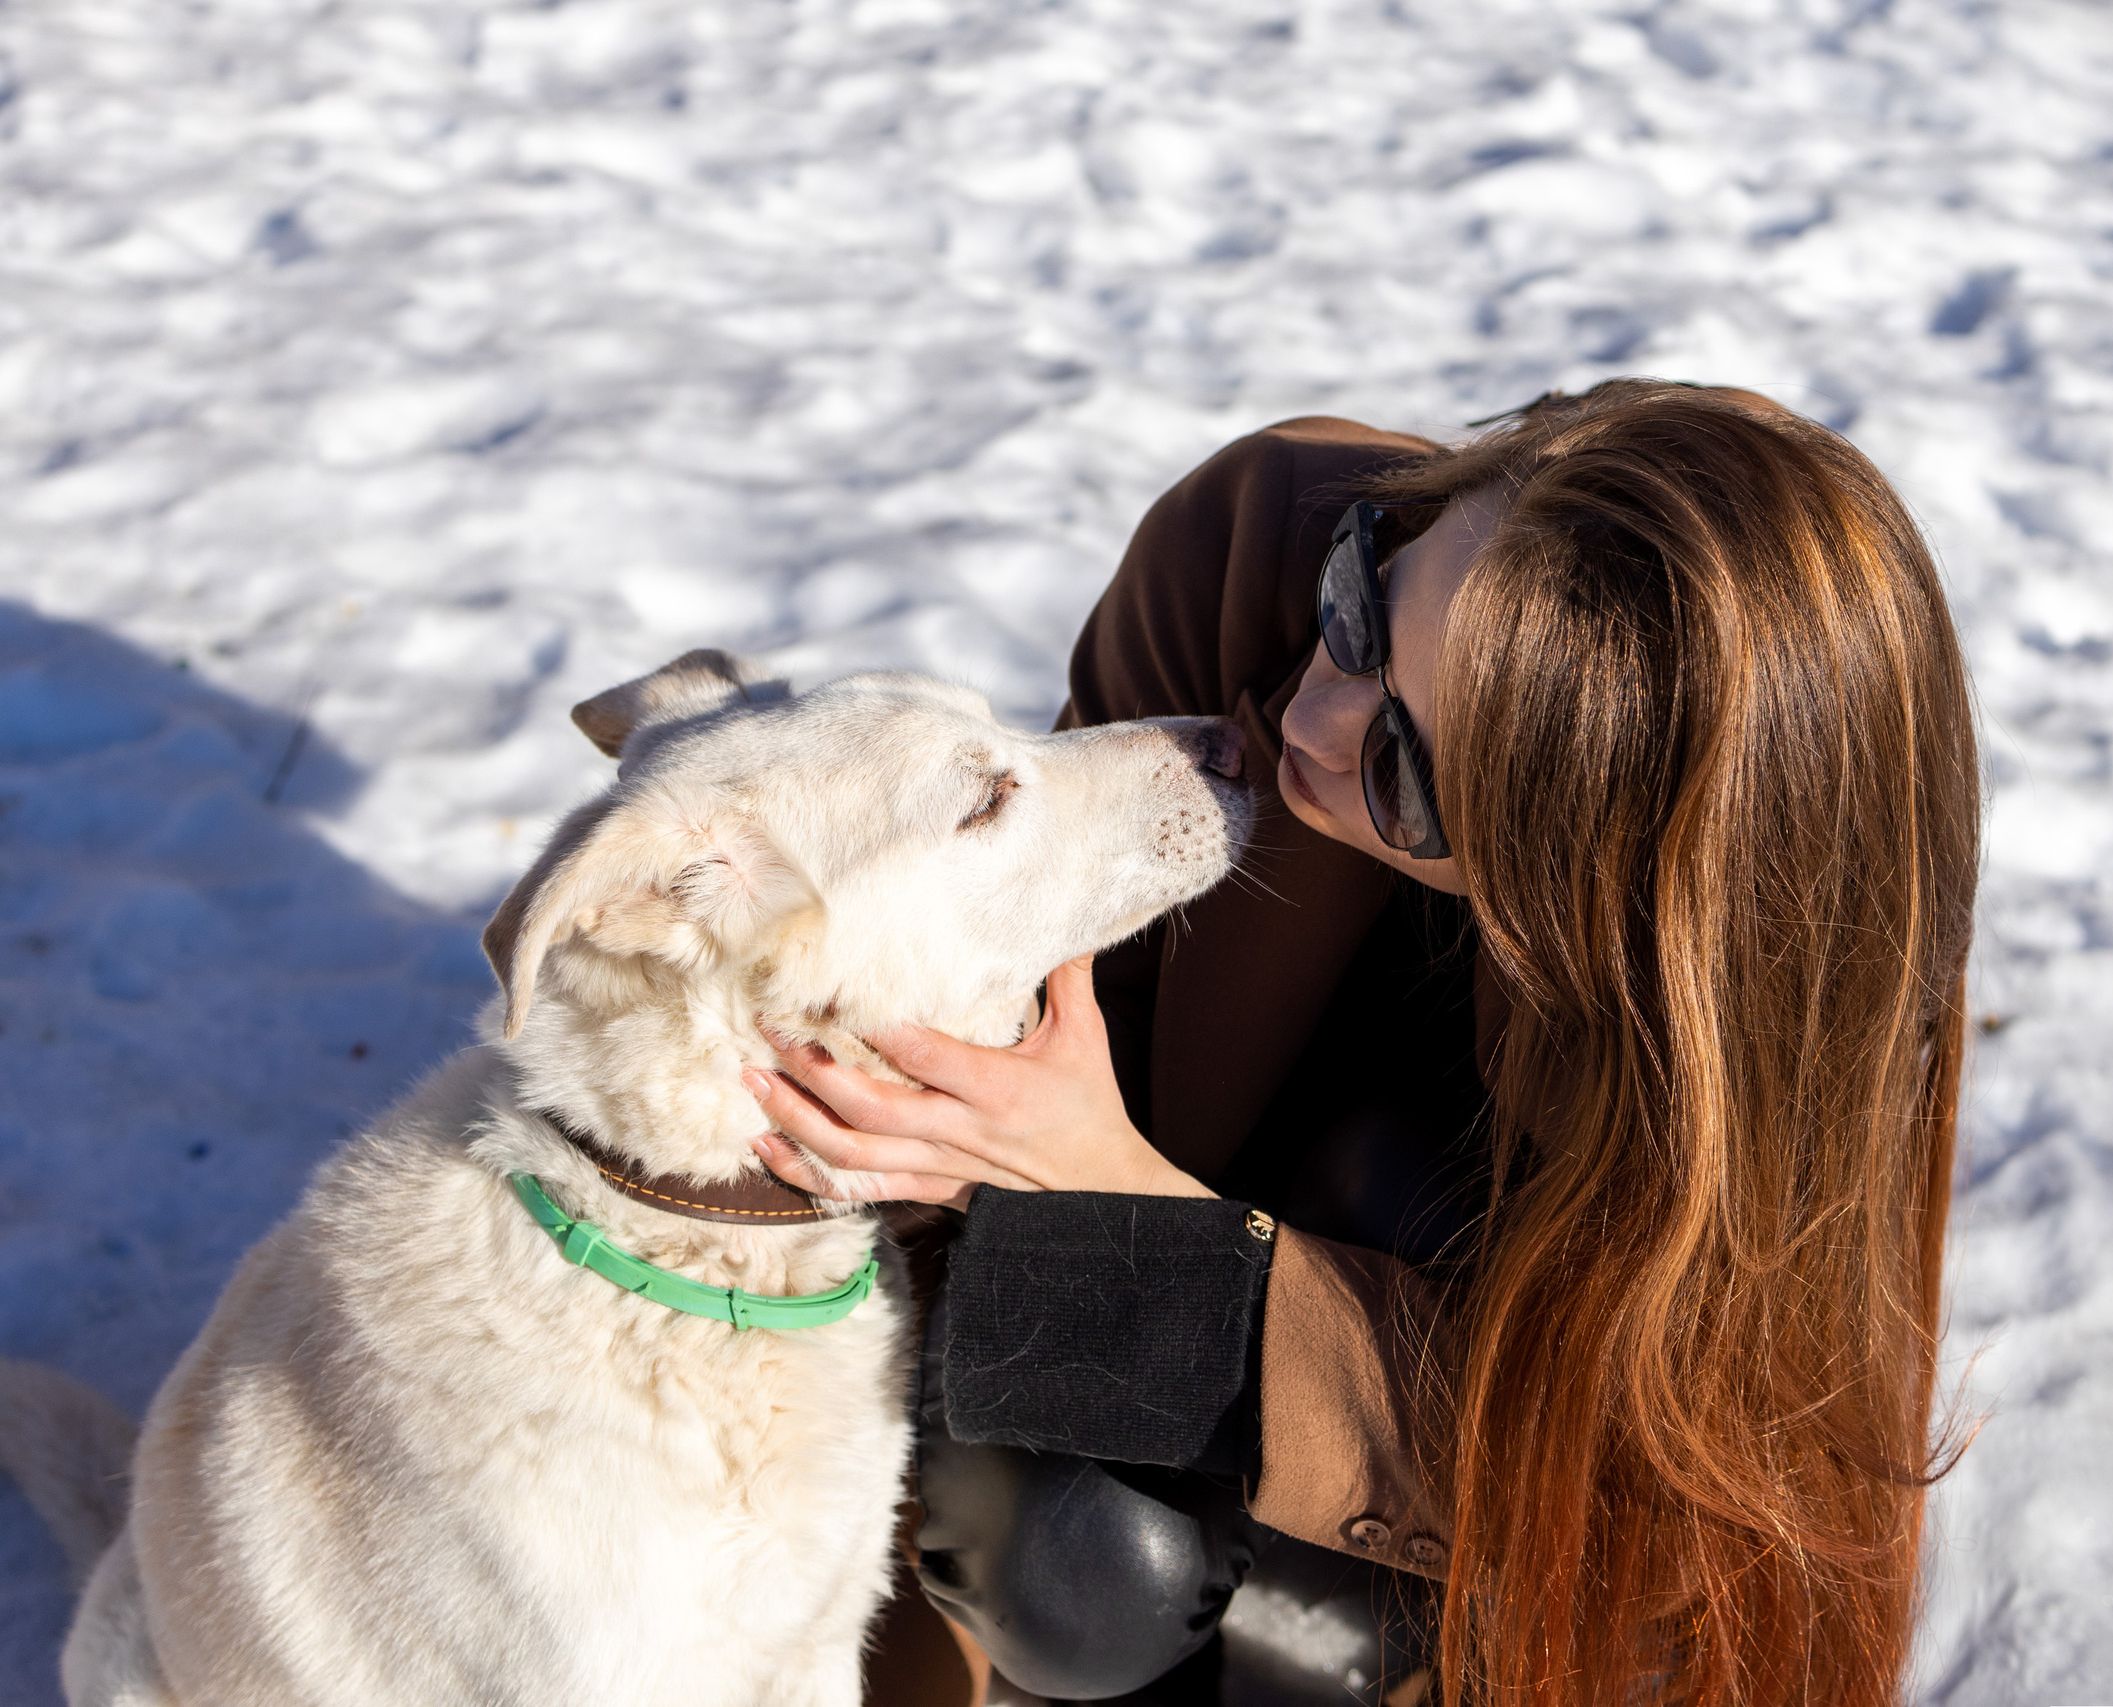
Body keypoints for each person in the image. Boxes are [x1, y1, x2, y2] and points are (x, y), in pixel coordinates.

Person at [744, 379, 1981, 1707]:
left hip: (1458, 1325)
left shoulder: (1763, 979)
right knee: (1074, 1557)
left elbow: (1673, 1491)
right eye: (1358, 612)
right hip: (1205, 1207)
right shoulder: (1260, 542)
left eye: (1414, 775)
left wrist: (1140, 1213)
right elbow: (957, 1055)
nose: (1311, 723)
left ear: (1606, 892)